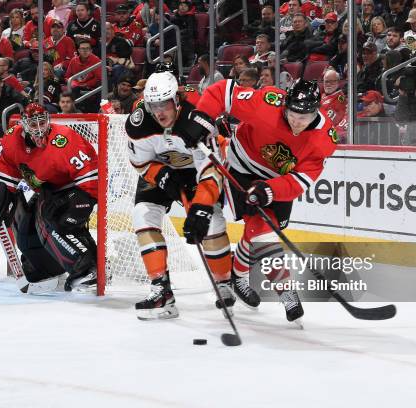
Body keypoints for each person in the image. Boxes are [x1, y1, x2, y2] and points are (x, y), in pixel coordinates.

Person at [193, 77, 338, 323]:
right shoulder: (268, 103)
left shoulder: (325, 138)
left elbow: (299, 182)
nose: (296, 121)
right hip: (242, 166)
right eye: (292, 114)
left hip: (278, 181)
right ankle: (286, 291)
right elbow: (222, 91)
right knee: (262, 230)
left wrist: (268, 190)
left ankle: (237, 276)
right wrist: (201, 118)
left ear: (316, 111)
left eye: (303, 117)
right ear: (286, 104)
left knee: (255, 233)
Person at [124, 71, 233, 320]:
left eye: (164, 104)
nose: (159, 112)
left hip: (197, 173)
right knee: (142, 215)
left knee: (212, 220)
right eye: (154, 105)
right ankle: (161, 289)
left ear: (176, 100)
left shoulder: (197, 119)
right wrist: (162, 176)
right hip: (162, 171)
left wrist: (201, 207)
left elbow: (212, 169)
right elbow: (140, 163)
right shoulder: (139, 123)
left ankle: (224, 281)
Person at [0, 103, 98, 293]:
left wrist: (83, 199)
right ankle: (44, 269)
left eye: (42, 122)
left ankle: (89, 269)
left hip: (76, 189)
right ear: (24, 124)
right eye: (33, 124)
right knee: (25, 224)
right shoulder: (13, 139)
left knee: (54, 218)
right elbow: (5, 178)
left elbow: (91, 172)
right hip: (47, 191)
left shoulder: (64, 138)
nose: (39, 129)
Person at [320, 69, 347, 139]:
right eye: (326, 81)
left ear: (338, 82)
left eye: (332, 81)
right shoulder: (322, 96)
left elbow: (331, 122)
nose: (328, 84)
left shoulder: (339, 99)